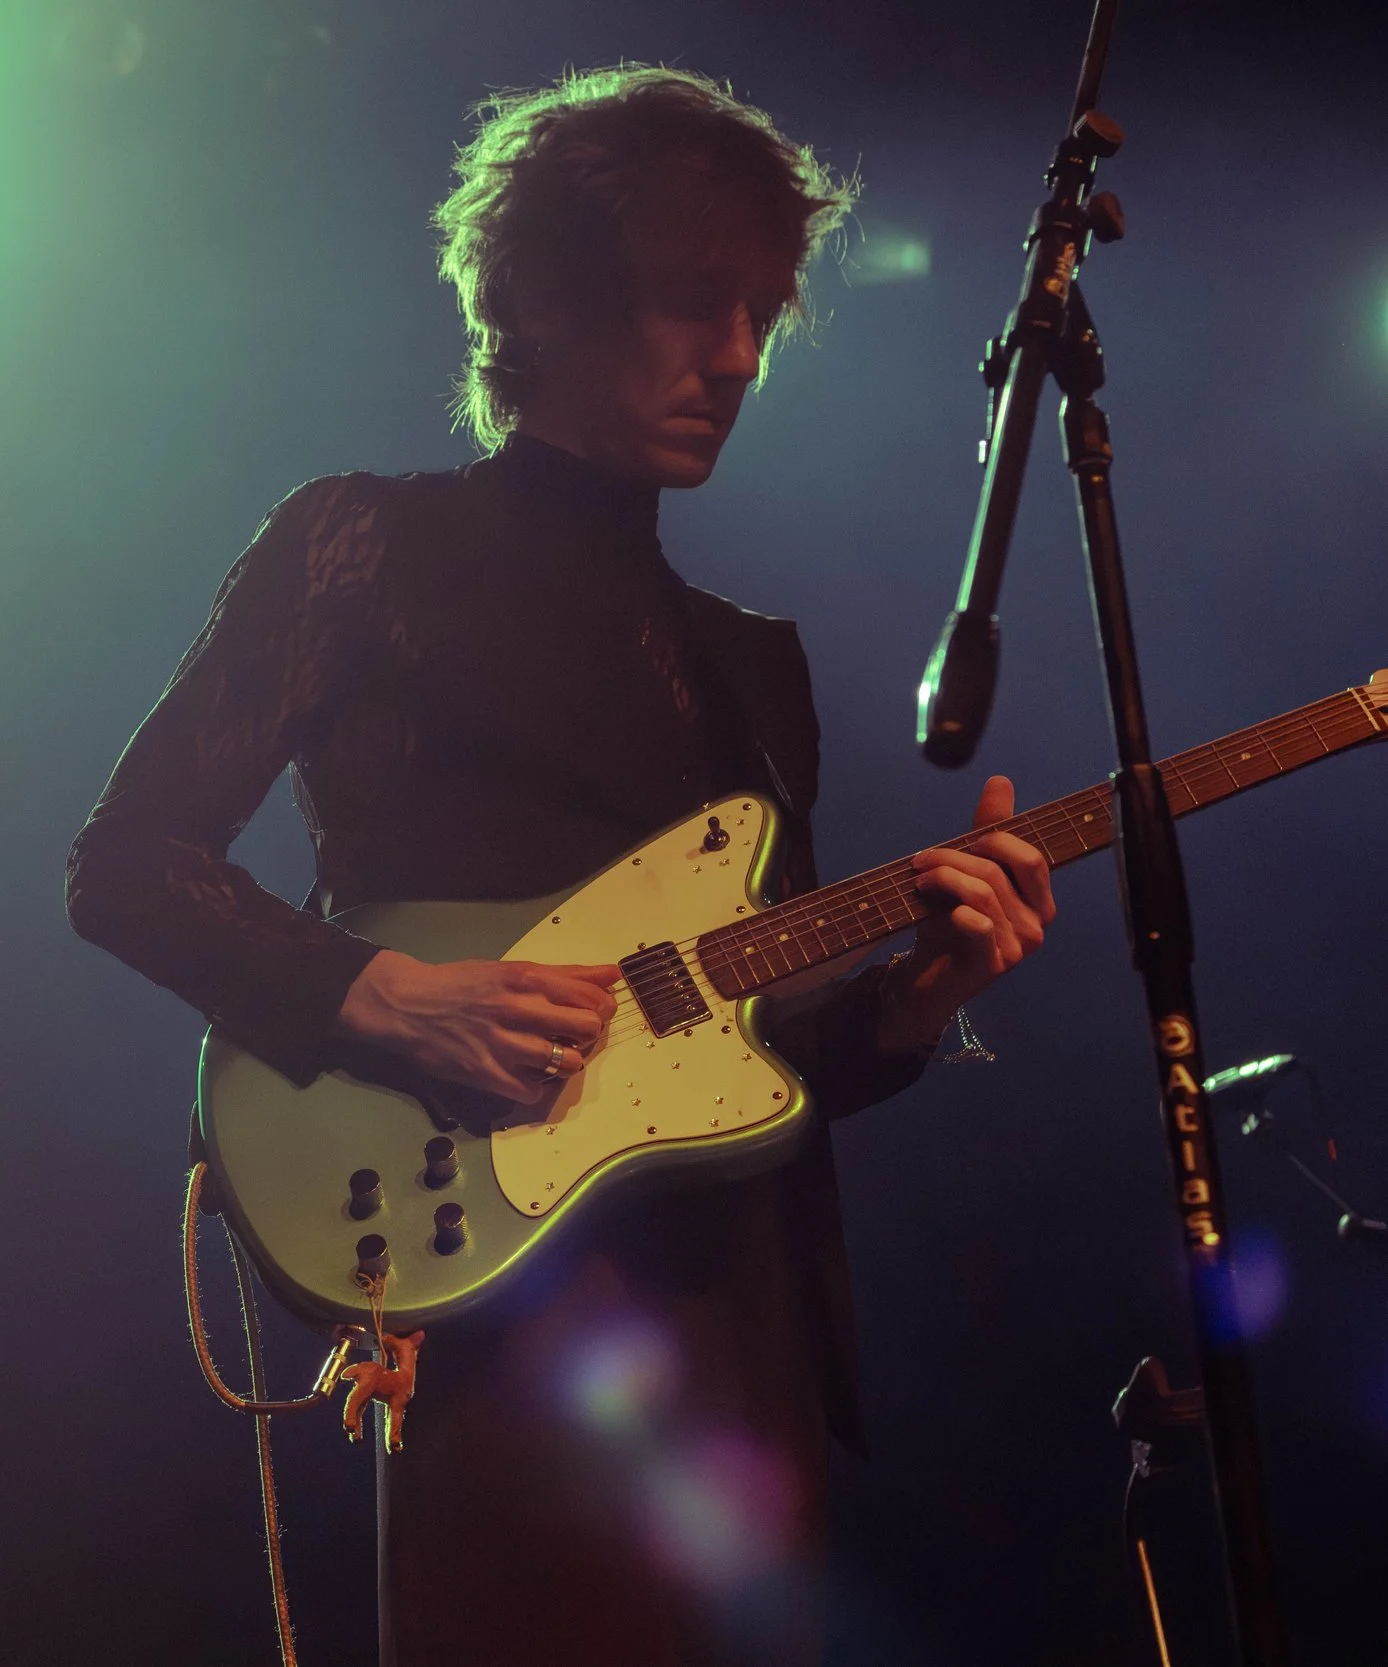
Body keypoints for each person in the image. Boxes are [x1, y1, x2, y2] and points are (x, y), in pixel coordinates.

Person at [63, 67, 1057, 1667]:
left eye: (758, 312)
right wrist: (390, 999)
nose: (736, 356)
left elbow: (757, 1064)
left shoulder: (754, 666)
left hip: (742, 1332)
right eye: (690, 302)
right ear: (543, 295)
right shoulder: (366, 545)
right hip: (507, 1322)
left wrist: (918, 1000)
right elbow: (126, 863)